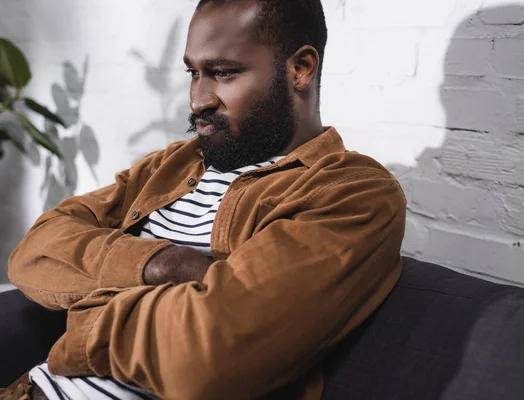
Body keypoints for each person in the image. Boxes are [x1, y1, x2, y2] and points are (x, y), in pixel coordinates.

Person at [4, 0, 406, 399]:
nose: (198, 100)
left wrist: (84, 314)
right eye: (192, 73)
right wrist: (167, 265)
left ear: (300, 68)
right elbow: (33, 255)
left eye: (223, 73)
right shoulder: (171, 165)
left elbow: (206, 359)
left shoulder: (351, 193)